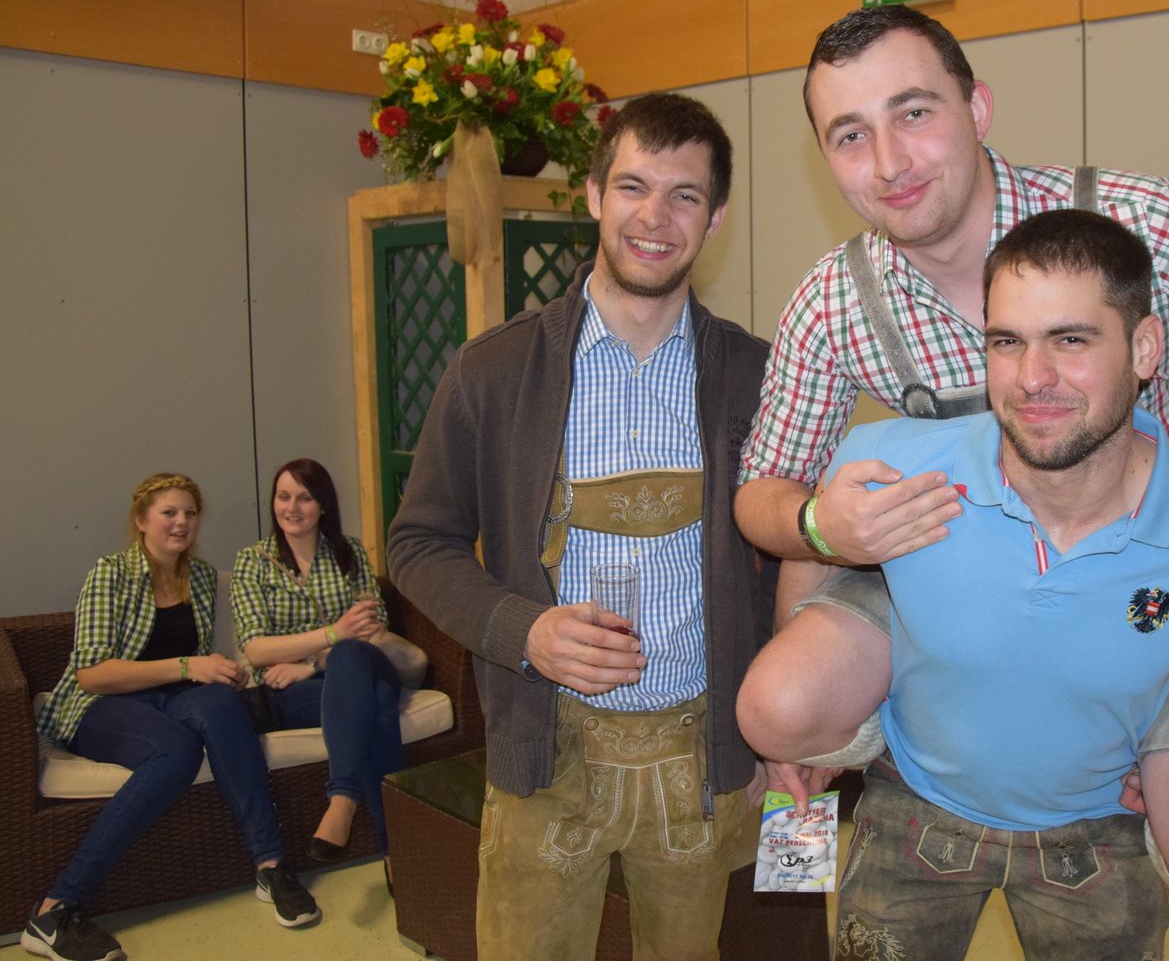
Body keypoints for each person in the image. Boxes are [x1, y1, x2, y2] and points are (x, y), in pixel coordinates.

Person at [733, 4, 1169, 926]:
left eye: (914, 113)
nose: (890, 163)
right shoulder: (833, 302)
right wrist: (824, 526)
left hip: (1160, 586)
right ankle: (889, 742)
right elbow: (767, 495)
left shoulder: (1140, 222)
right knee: (778, 708)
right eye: (851, 135)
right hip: (942, 574)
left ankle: (1143, 761)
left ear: (978, 108)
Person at [828, 209, 1169, 958]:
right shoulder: (897, 469)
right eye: (1006, 342)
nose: (1032, 378)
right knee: (775, 710)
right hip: (915, 800)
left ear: (1145, 348)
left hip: (1099, 829)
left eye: (1071, 340)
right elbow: (812, 546)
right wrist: (808, 741)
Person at [387, 92, 774, 961]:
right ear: (595, 195)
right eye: (633, 186)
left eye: (684, 195)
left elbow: (794, 560)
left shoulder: (756, 376)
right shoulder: (492, 372)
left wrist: (795, 728)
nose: (655, 217)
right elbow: (416, 543)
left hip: (704, 757)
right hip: (545, 756)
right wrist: (522, 630)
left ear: (716, 216)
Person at [27, 473, 319, 961]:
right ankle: (54, 909)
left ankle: (271, 867)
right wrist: (188, 666)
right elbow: (92, 674)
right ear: (142, 520)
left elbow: (200, 664)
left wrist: (223, 672)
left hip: (172, 699)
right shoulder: (111, 573)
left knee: (222, 703)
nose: (182, 522)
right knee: (176, 751)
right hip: (100, 706)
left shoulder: (199, 577)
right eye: (169, 512)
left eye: (190, 513)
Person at [230, 458, 402, 880]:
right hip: (292, 693)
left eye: (304, 498)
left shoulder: (349, 552)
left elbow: (371, 627)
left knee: (349, 657)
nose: (292, 508)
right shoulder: (253, 561)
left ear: (323, 505)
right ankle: (397, 852)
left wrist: (310, 661)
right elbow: (256, 649)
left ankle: (342, 797)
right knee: (377, 703)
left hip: (358, 664)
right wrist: (334, 633)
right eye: (283, 496)